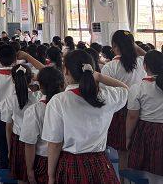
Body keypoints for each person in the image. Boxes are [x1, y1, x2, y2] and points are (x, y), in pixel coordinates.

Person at [43, 50, 129, 184]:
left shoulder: (59, 101)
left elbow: (55, 144)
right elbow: (126, 89)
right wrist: (99, 76)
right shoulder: (107, 96)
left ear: (66, 70)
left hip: (71, 165)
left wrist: (51, 176)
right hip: (101, 165)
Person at [100, 30, 146, 170]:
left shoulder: (109, 67)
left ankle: (125, 179)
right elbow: (152, 57)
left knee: (123, 154)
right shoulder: (141, 62)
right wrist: (134, 46)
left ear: (113, 45)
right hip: (141, 110)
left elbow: (105, 94)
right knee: (139, 151)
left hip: (119, 111)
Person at [20, 67, 66, 184]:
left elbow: (30, 143)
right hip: (65, 161)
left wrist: (30, 169)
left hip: (43, 160)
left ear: (40, 86)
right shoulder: (69, 107)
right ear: (63, 85)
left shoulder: (34, 110)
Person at [126, 50, 163, 184]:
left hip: (149, 132)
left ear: (145, 66)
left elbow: (132, 116)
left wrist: (128, 137)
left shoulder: (138, 88)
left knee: (153, 174)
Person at [1, 63, 41, 183]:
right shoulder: (38, 97)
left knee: (21, 177)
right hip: (37, 141)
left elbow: (8, 128)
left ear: (13, 80)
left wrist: (9, 149)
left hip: (18, 141)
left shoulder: (9, 101)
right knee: (36, 176)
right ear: (31, 80)